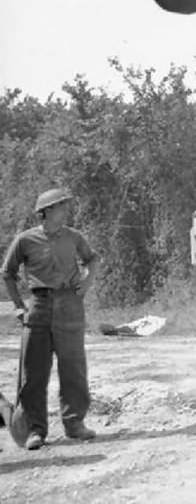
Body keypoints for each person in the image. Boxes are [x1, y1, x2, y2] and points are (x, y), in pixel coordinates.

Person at [2, 187, 100, 450]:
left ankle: (75, 423)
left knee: (73, 368)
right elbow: (7, 272)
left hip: (70, 304)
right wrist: (19, 307)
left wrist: (87, 282)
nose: (66, 210)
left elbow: (92, 259)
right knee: (33, 372)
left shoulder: (74, 237)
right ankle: (34, 430)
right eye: (61, 205)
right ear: (45, 211)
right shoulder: (25, 240)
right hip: (39, 305)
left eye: (66, 205)